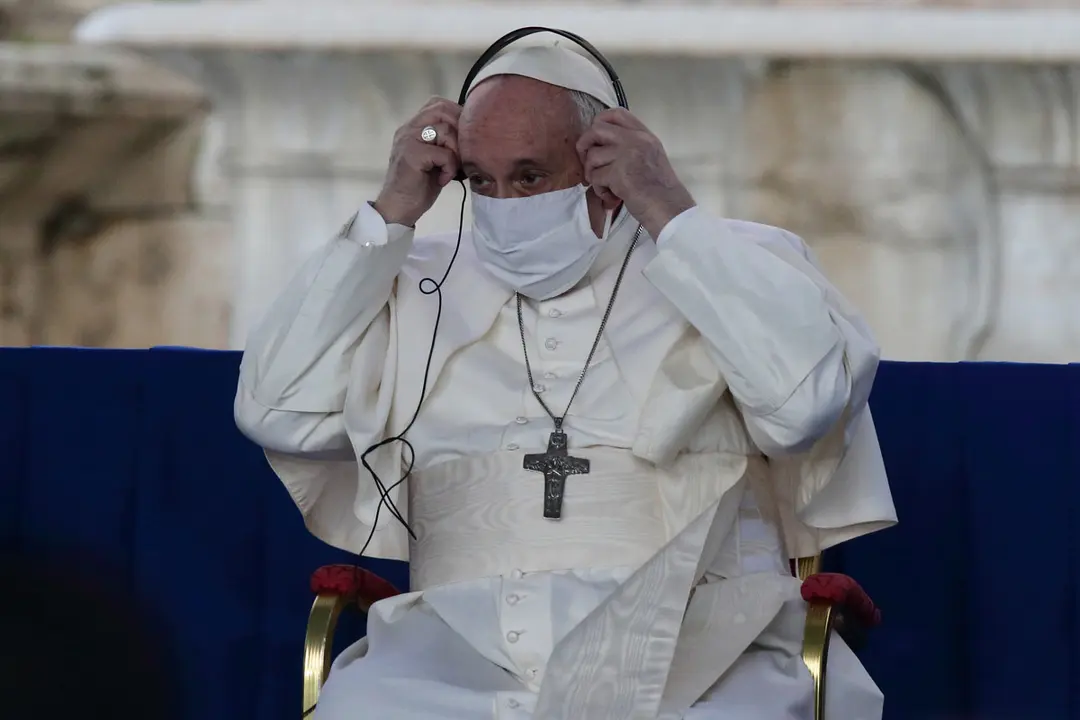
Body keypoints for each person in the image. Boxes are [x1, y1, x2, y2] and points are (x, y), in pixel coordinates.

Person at [235, 37, 897, 720]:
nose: (504, 203)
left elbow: (805, 407)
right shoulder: (410, 279)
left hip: (703, 642)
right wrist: (389, 212)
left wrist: (667, 209)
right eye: (480, 181)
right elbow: (275, 411)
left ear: (602, 163)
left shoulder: (734, 258)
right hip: (454, 655)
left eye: (529, 177)